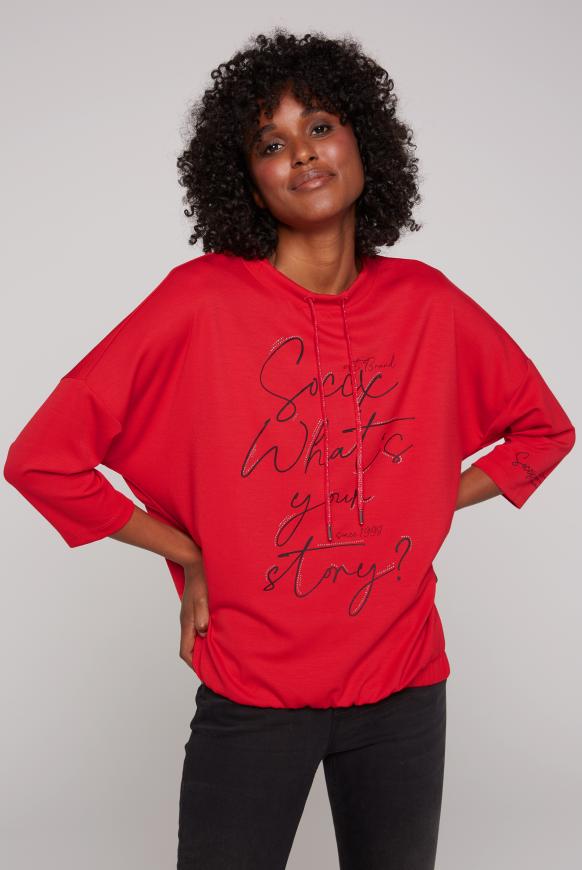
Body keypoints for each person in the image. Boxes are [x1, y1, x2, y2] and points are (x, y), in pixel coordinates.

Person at [3, 28, 576, 870]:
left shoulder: (428, 303)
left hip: (406, 688)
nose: (302, 153)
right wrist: (189, 551)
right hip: (255, 691)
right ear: (248, 182)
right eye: (271, 144)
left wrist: (420, 492)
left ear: (363, 145)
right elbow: (42, 460)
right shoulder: (199, 301)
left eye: (320, 126)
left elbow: (544, 430)